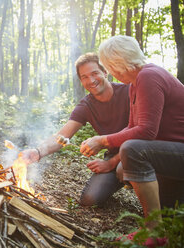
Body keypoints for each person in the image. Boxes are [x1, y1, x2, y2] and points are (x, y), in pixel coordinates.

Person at [81, 35, 184, 229]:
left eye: (109, 67)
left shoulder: (149, 76)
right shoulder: (135, 84)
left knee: (133, 150)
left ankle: (153, 230)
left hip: (179, 153)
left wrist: (103, 141)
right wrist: (110, 157)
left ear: (117, 63)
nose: (110, 72)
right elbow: (132, 126)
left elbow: (146, 131)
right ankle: (161, 223)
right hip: (171, 156)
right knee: (172, 219)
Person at [21, 53, 130, 206]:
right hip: (113, 157)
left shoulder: (129, 92)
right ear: (81, 81)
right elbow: (61, 137)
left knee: (122, 168)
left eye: (95, 73)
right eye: (84, 77)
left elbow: (143, 134)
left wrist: (111, 163)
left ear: (105, 72)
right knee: (89, 200)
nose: (91, 80)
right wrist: (37, 152)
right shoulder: (86, 105)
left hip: (137, 152)